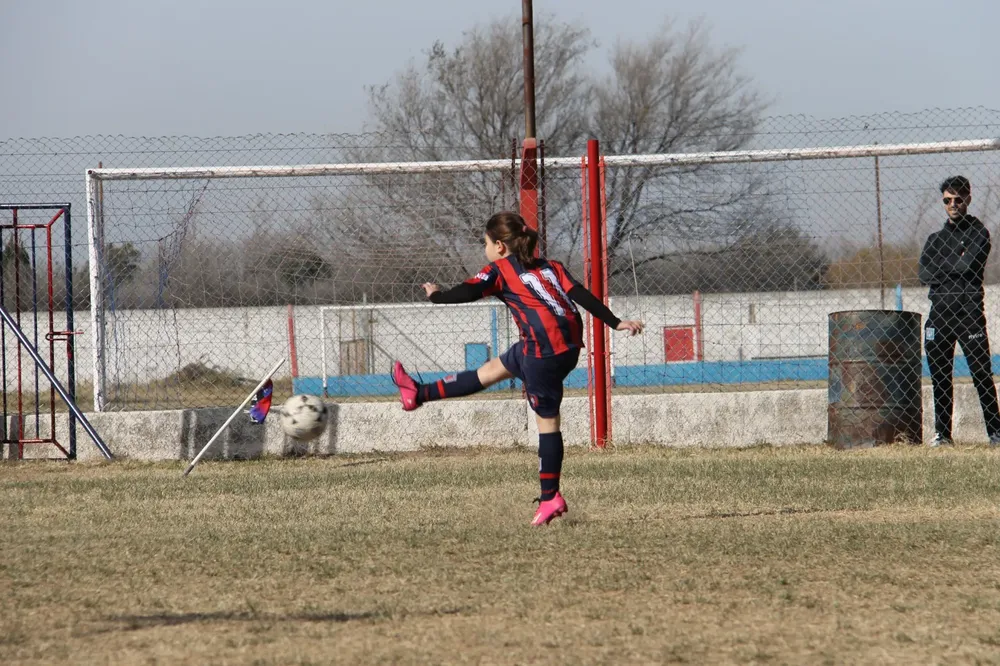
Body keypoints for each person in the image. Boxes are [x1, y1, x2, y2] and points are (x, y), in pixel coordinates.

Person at [392, 212, 643, 525]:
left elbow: (468, 292)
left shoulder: (499, 270)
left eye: (485, 243)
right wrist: (616, 322)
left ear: (499, 246)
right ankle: (418, 393)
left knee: (548, 423)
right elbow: (581, 296)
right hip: (557, 349)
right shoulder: (552, 267)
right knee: (490, 372)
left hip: (543, 355)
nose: (484, 249)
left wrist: (437, 296)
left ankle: (550, 496)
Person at [918, 175, 1000, 446]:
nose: (953, 204)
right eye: (947, 200)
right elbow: (923, 272)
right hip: (939, 315)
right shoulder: (934, 238)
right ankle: (943, 434)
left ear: (968, 199)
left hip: (969, 314)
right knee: (940, 378)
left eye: (958, 199)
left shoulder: (979, 233)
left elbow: (969, 267)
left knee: (981, 375)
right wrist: (956, 263)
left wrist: (945, 267)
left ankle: (995, 432)